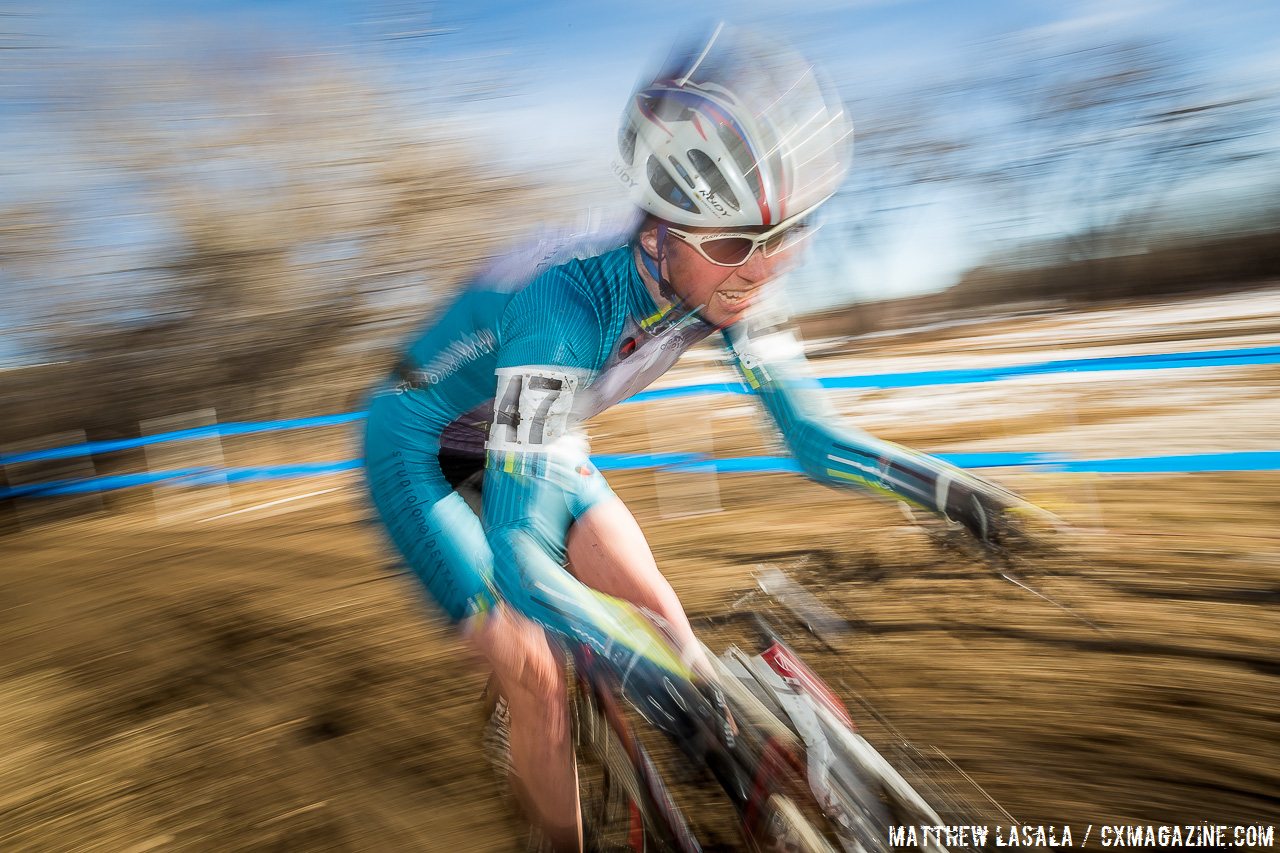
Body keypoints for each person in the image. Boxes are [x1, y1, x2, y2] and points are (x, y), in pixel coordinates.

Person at [363, 24, 1038, 852]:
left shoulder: (724, 283)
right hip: (418, 446)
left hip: (536, 432)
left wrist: (945, 489)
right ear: (659, 233)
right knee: (536, 667)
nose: (761, 267)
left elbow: (811, 438)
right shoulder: (563, 308)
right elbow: (518, 552)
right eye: (734, 245)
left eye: (789, 235)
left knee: (669, 628)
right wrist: (640, 673)